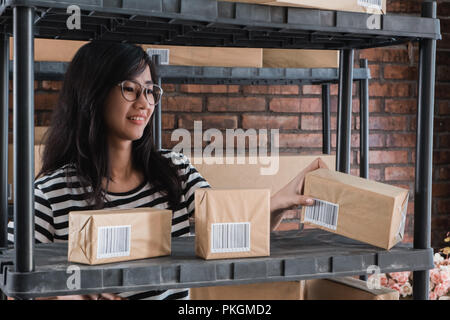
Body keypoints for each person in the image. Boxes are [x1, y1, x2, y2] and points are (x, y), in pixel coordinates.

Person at [7, 41, 327, 300]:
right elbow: (10, 283)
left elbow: (235, 235)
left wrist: (275, 203)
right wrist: (63, 295)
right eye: (130, 89)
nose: (145, 102)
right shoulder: (49, 195)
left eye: (150, 91)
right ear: (93, 94)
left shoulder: (176, 173)